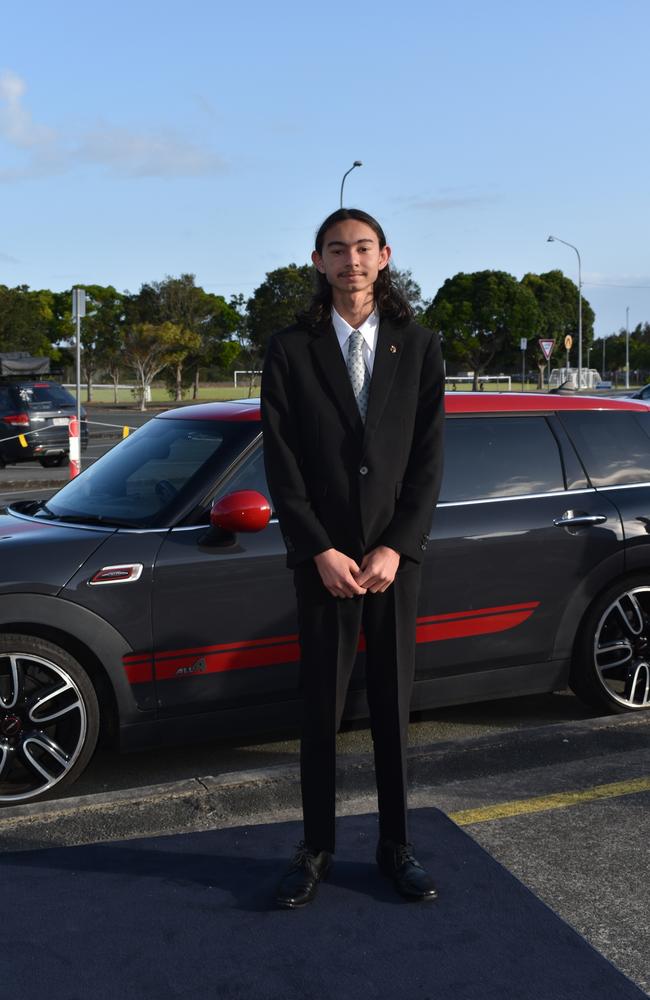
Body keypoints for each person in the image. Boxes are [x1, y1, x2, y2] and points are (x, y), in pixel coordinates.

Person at [261, 207, 445, 908]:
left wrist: (398, 545)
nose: (352, 260)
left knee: (395, 709)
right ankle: (315, 849)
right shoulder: (290, 349)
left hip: (395, 563)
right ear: (318, 262)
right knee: (321, 712)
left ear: (385, 256)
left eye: (363, 247)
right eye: (337, 250)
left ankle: (397, 847)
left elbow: (428, 460)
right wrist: (318, 549)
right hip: (325, 565)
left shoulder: (419, 344)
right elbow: (282, 464)